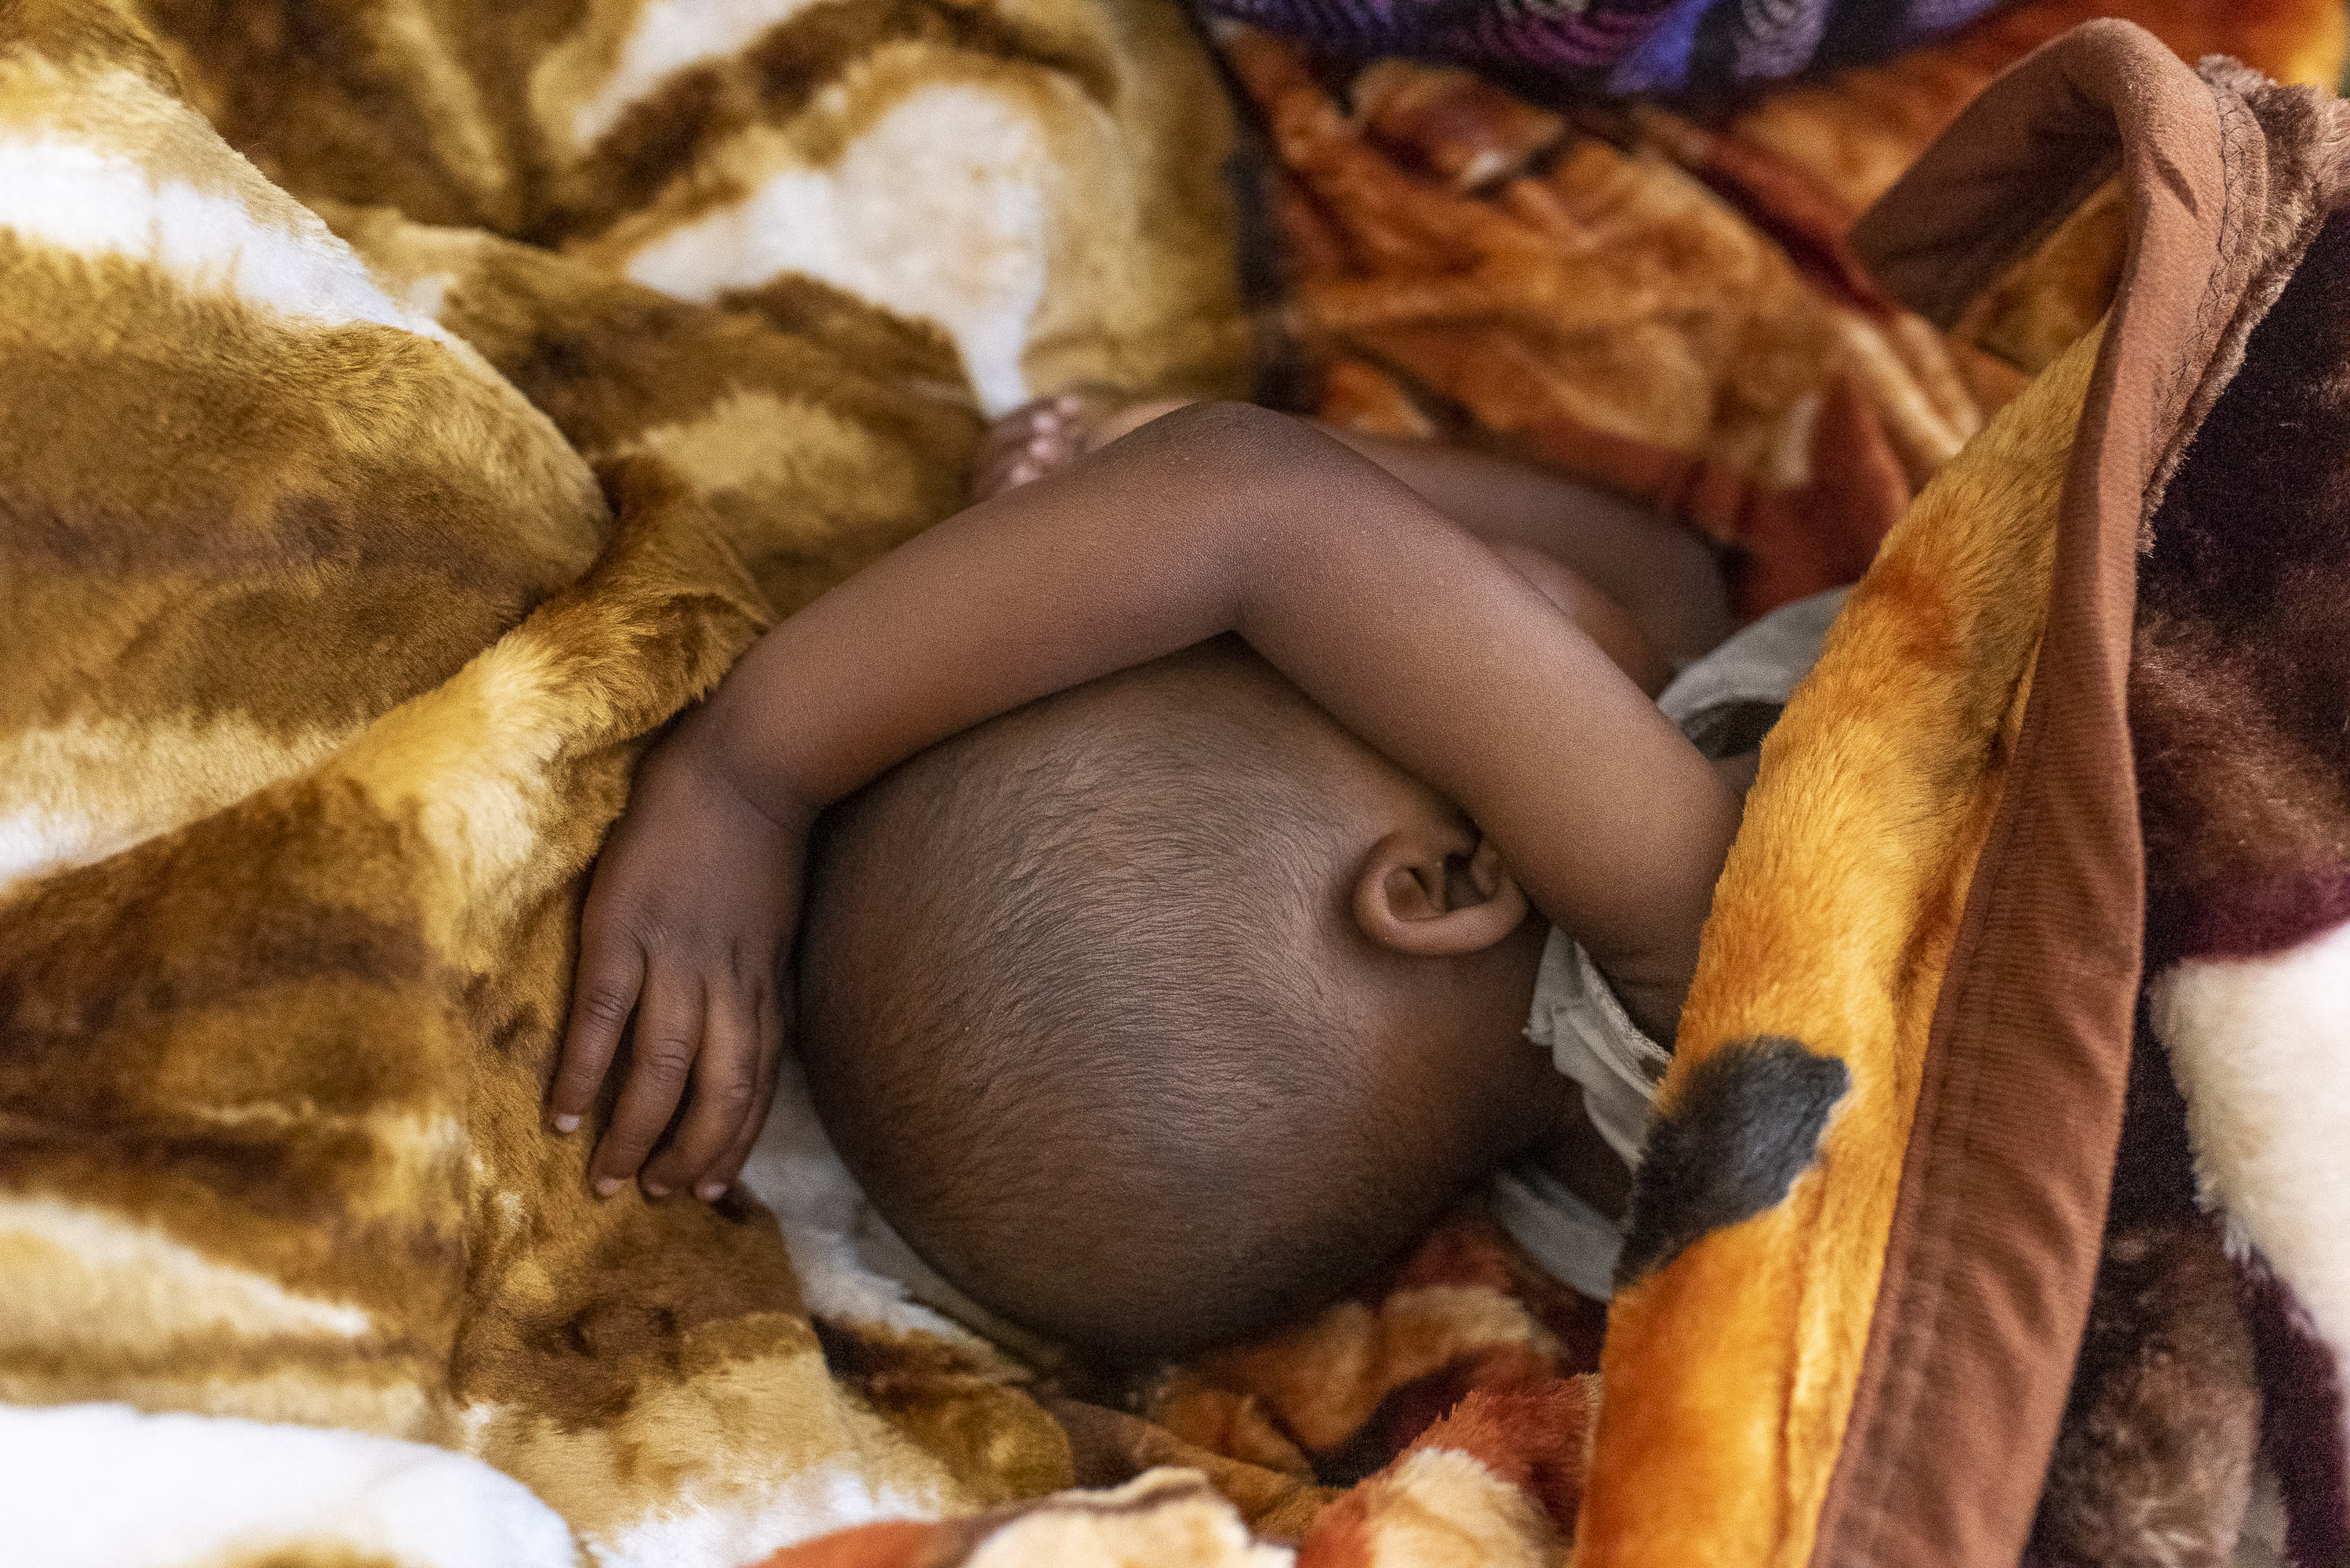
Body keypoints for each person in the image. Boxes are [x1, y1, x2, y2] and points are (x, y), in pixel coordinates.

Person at [548, 396, 1823, 1357]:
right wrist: (749, 771)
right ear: (1439, 883)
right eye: (1317, 650)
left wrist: (1090, 513)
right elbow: (1255, 506)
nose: (1435, 592)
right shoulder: (1699, 926)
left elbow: (1669, 589)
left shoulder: (1615, 1217)